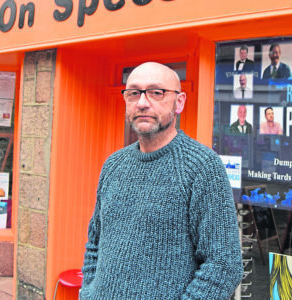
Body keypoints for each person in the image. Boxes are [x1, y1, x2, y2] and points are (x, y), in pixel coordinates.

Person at [80, 62, 243, 299]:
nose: (143, 102)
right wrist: (88, 293)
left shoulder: (202, 166)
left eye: (157, 92)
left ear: (179, 102)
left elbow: (223, 265)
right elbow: (95, 243)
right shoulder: (113, 165)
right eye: (134, 93)